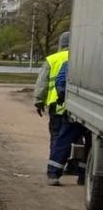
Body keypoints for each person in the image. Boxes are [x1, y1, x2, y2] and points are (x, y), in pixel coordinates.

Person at [34, 32, 72, 182]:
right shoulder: (80, 57)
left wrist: (38, 101)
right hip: (74, 107)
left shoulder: (52, 59)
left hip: (56, 104)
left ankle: (54, 169)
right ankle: (79, 171)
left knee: (57, 136)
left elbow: (42, 83)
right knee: (78, 138)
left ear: (61, 44)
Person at [48, 60, 88, 185]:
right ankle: (83, 175)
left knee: (64, 140)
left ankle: (53, 173)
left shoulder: (73, 61)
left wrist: (61, 93)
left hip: (75, 108)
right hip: (90, 110)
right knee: (89, 145)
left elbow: (61, 80)